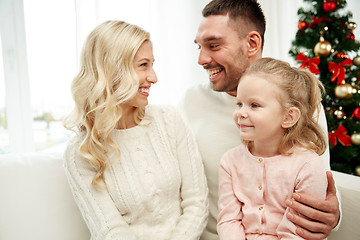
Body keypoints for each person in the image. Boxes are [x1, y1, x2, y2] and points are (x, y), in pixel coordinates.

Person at [178, 0, 340, 239]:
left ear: (252, 43)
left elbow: (318, 187)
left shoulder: (300, 102)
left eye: (213, 45)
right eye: (199, 47)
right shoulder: (190, 102)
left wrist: (333, 217)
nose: (201, 59)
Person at [63, 20, 208, 240]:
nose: (154, 77)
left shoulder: (170, 120)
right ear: (112, 70)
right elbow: (110, 230)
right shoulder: (81, 152)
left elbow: (197, 201)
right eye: (143, 65)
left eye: (152, 64)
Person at [217, 57, 328, 240]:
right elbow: (228, 220)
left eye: (254, 105)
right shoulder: (230, 161)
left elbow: (297, 232)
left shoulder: (307, 165)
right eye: (239, 104)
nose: (241, 113)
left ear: (288, 117)